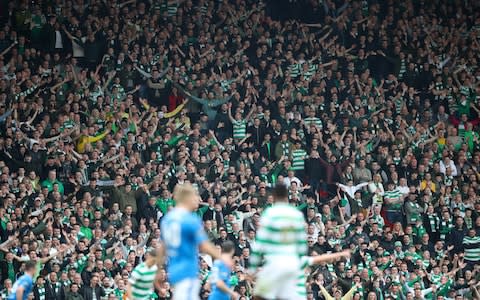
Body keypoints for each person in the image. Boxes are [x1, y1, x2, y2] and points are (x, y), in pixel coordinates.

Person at [161, 183, 232, 300]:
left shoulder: (167, 219)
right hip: (187, 271)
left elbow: (162, 248)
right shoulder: (190, 219)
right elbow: (204, 245)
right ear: (187, 197)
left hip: (175, 270)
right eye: (196, 196)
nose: (198, 199)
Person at [249, 183, 306, 300]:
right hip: (291, 264)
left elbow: (259, 244)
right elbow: (302, 247)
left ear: (274, 196)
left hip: (274, 264)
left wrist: (252, 269)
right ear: (287, 197)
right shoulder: (296, 215)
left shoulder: (269, 214)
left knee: (259, 296)